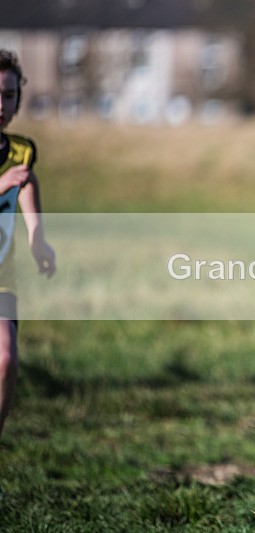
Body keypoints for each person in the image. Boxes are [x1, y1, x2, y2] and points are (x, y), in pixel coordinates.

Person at [0, 49, 57, 439]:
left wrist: (37, 236)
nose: (0, 104)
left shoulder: (20, 150)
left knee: (5, 360)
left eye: (8, 94)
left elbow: (25, 179)